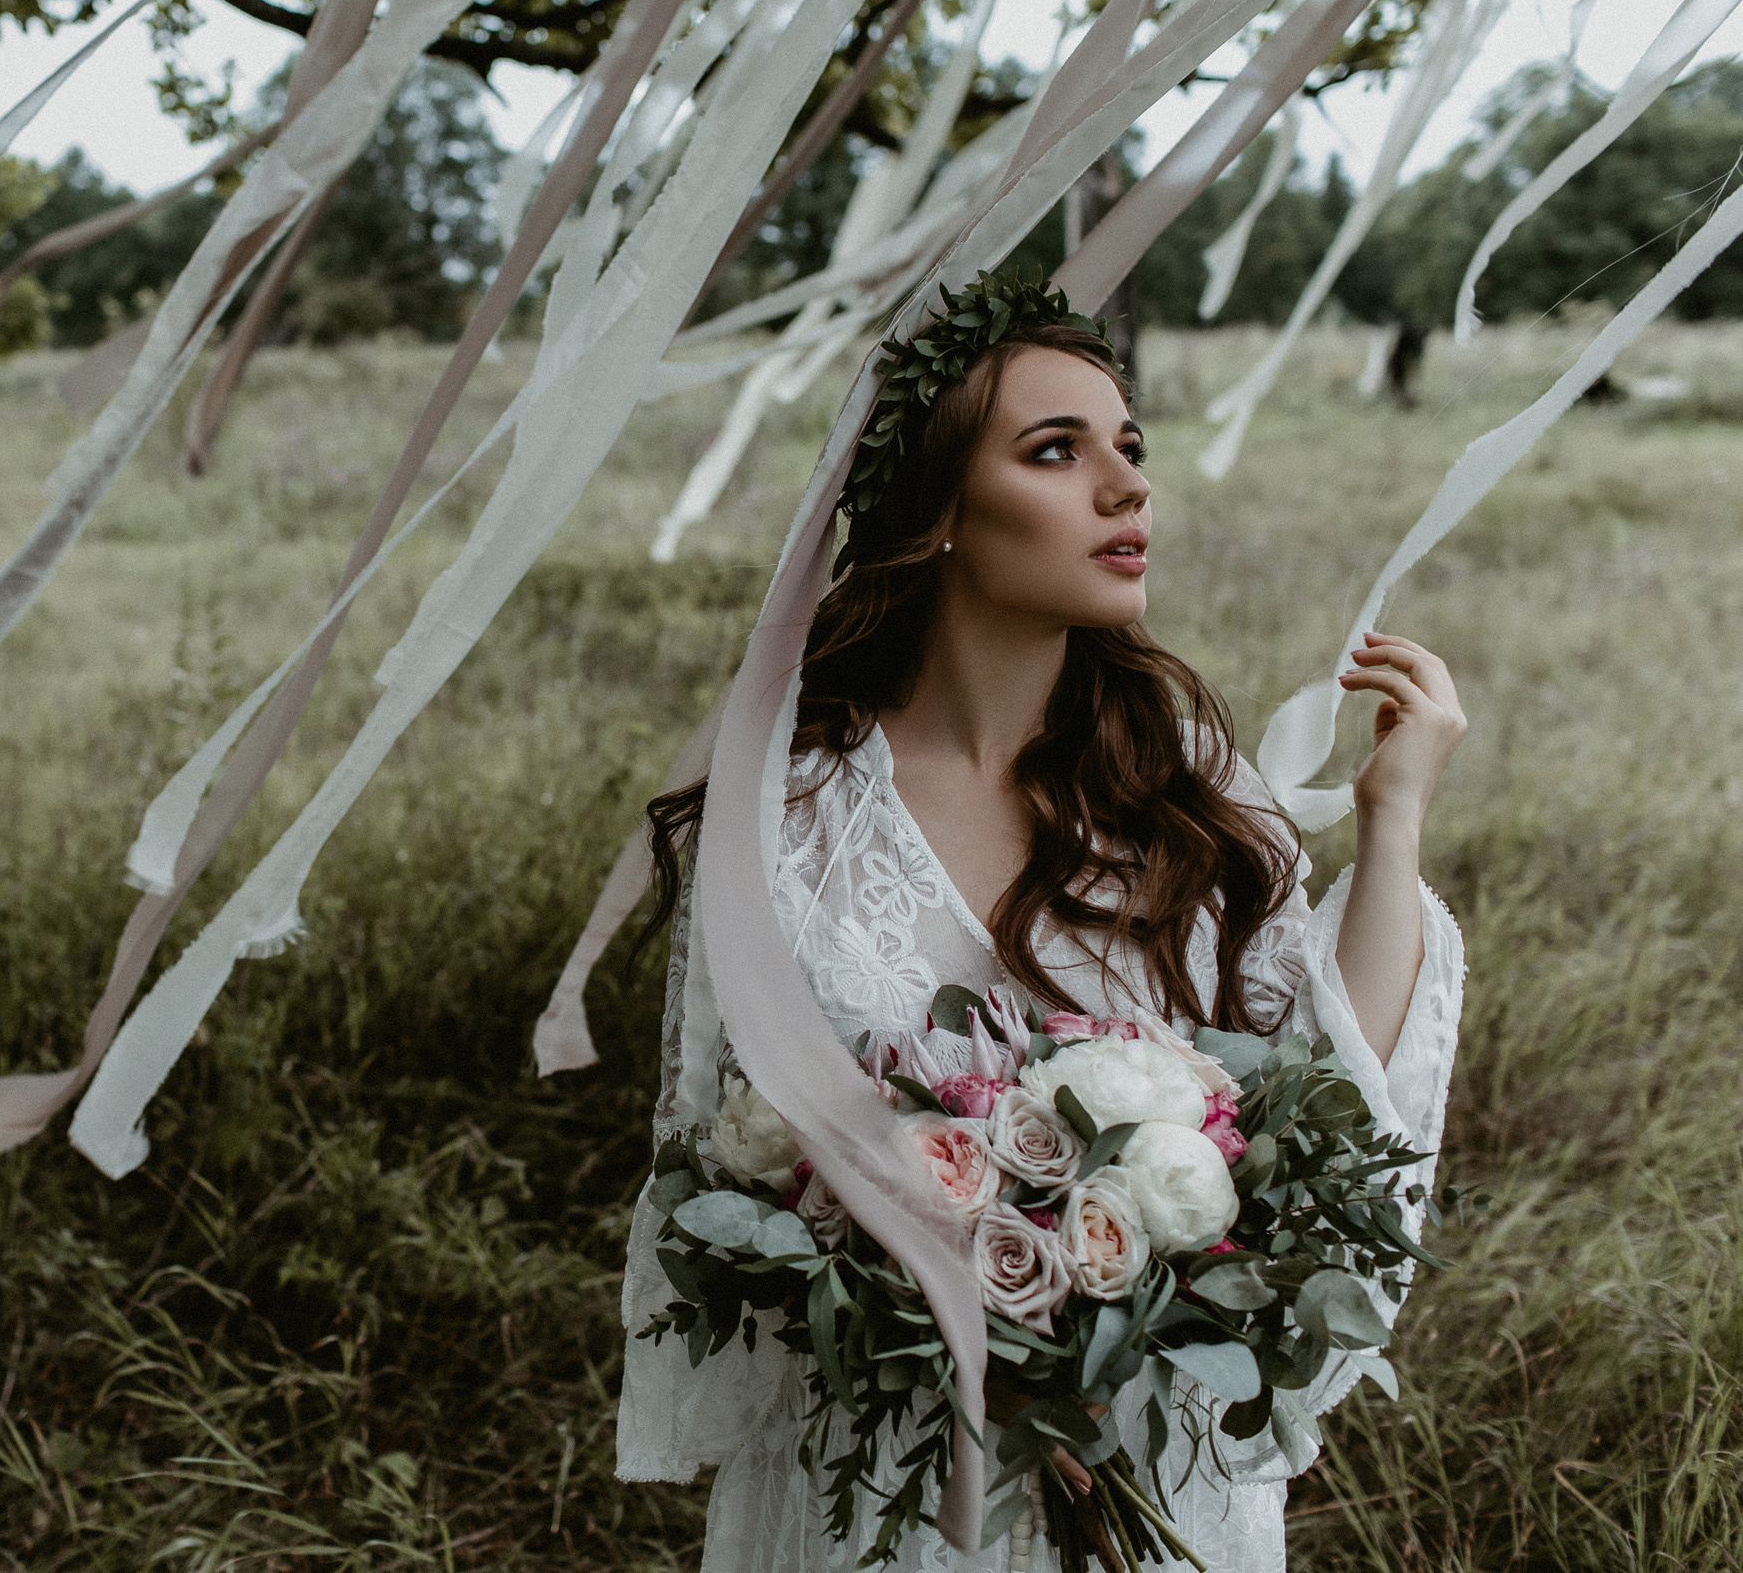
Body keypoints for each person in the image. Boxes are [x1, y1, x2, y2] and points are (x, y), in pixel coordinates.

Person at [617, 293, 1470, 1572]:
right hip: (884, 1479)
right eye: (1058, 450)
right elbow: (714, 1181)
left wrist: (1390, 821)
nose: (1128, 488)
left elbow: (1331, 1093)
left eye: (1131, 447)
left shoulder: (1181, 782)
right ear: (940, 512)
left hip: (1150, 1453)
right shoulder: (788, 820)